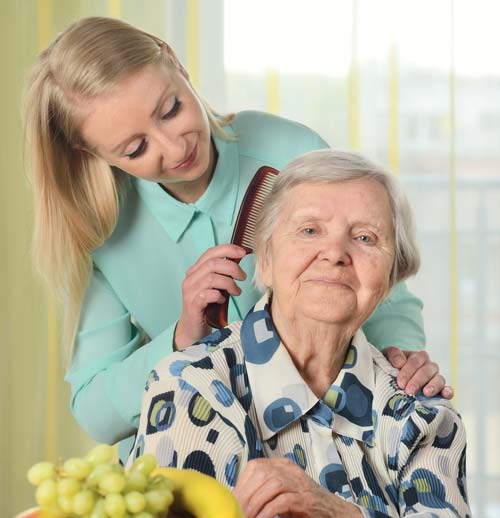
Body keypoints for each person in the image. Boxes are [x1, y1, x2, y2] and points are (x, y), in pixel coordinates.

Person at [24, 17, 450, 462]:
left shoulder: (290, 152)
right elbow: (97, 413)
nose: (174, 148)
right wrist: (182, 338)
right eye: (136, 149)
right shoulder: (104, 233)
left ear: (176, 64)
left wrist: (401, 358)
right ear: (94, 156)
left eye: (170, 110)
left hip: (325, 451)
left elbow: (380, 283)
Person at [130, 150, 470, 517]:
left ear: (390, 280)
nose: (335, 253)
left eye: (366, 238)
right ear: (266, 260)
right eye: (309, 230)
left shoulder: (422, 414)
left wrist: (339, 513)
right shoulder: (190, 388)